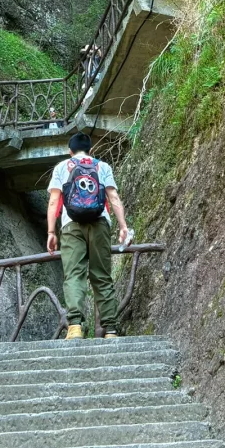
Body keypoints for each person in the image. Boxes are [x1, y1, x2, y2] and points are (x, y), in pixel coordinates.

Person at [47, 131, 130, 340]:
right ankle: (110, 328)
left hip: (71, 225)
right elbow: (113, 197)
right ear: (90, 150)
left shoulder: (61, 168)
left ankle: (75, 326)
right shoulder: (102, 167)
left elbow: (54, 202)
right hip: (100, 223)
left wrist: (51, 232)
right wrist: (123, 226)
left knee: (74, 274)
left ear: (70, 150)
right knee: (101, 275)